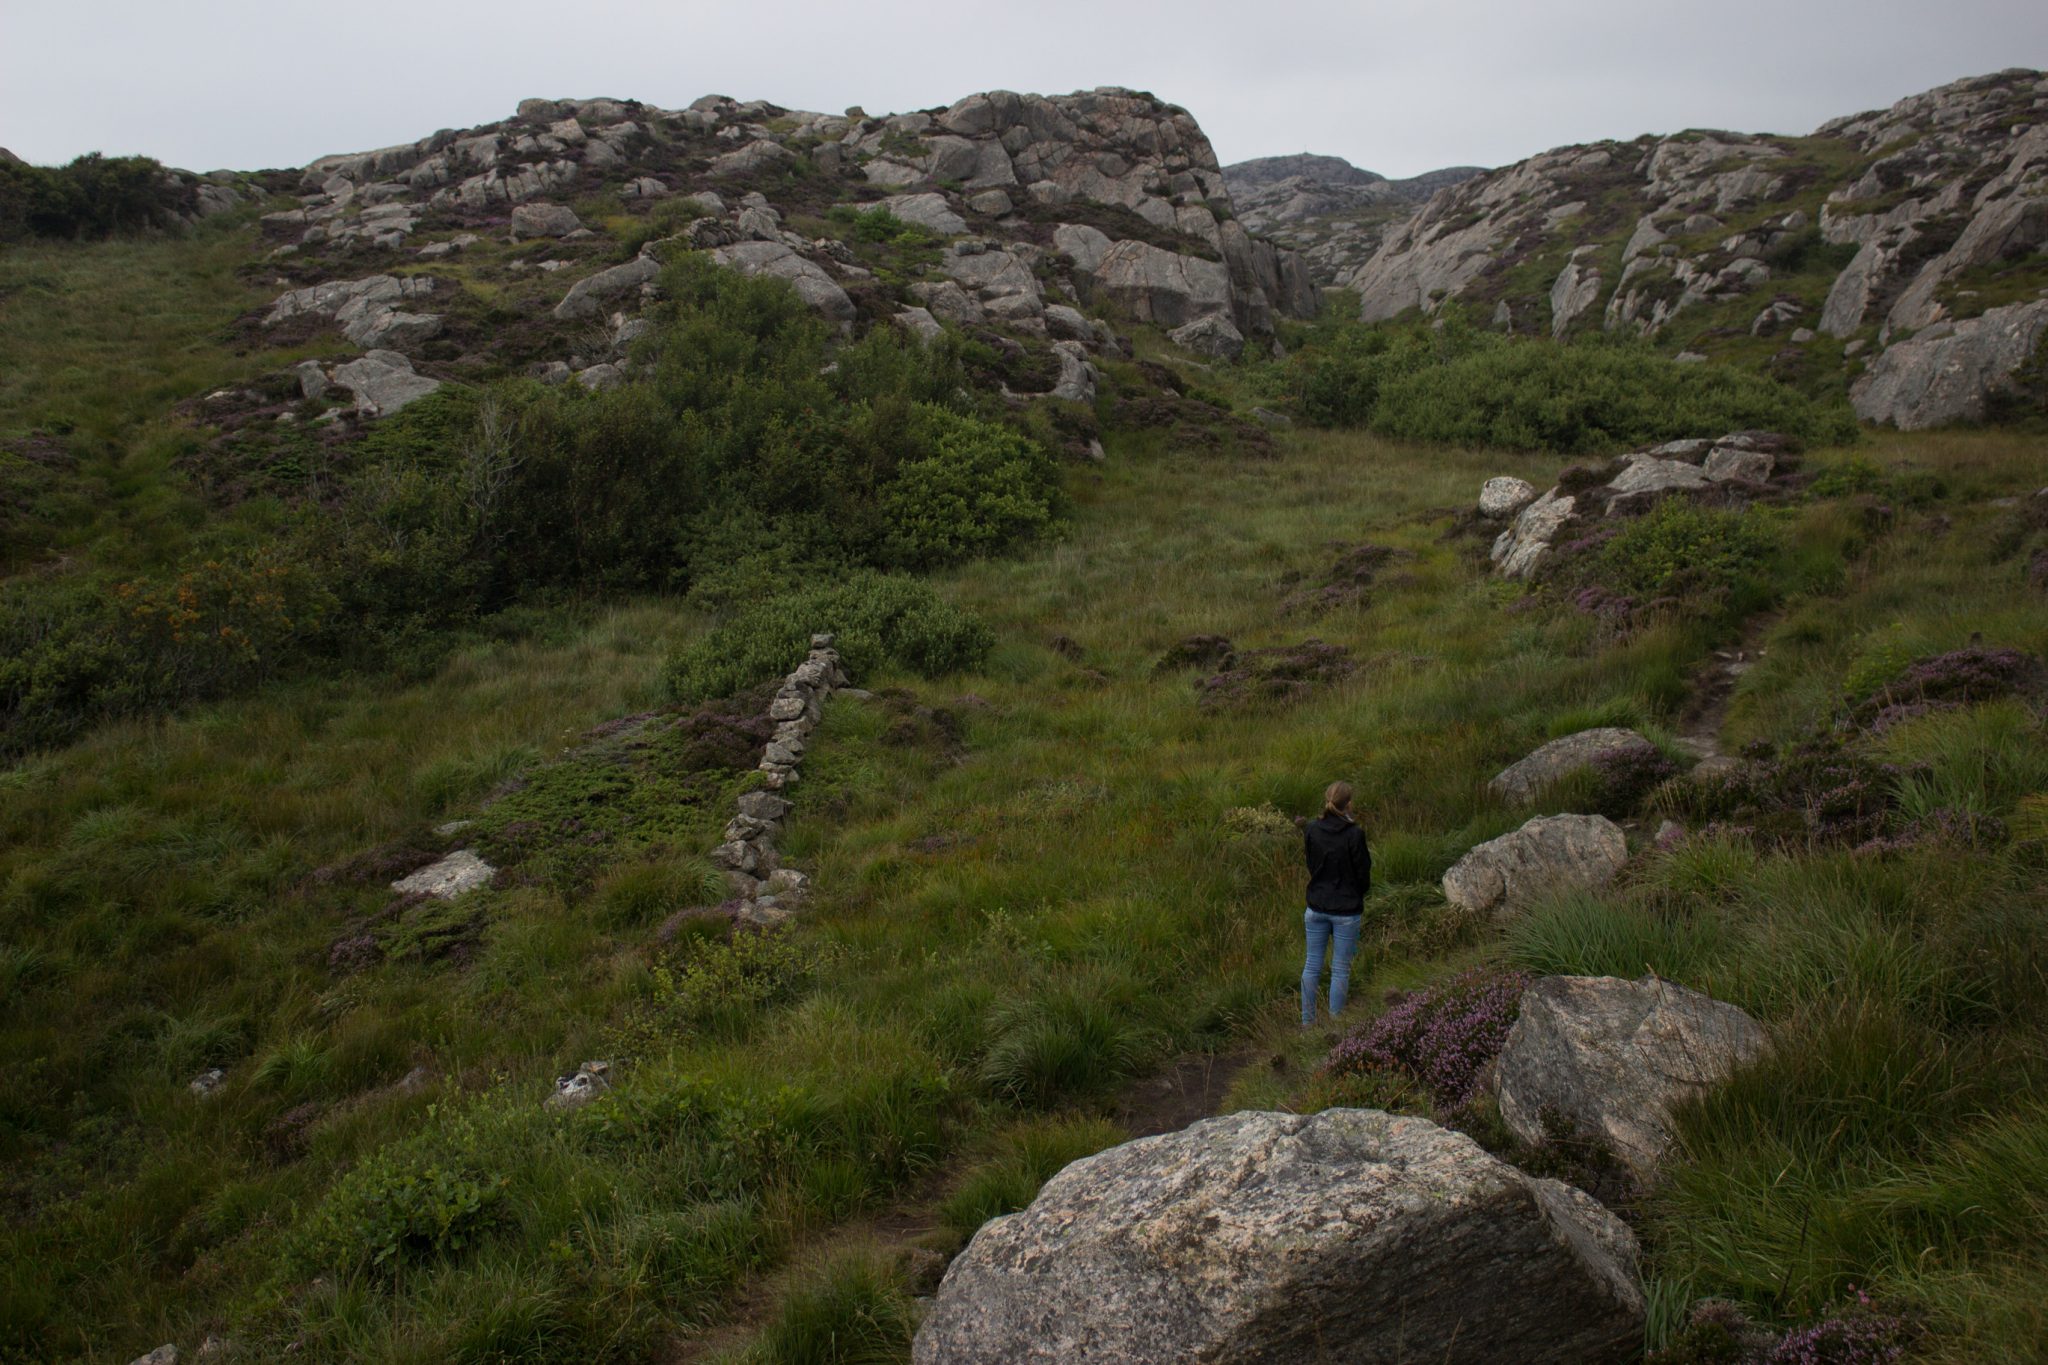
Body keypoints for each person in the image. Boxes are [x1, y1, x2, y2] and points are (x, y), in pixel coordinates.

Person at [1301, 780, 1370, 1027]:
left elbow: (1311, 864)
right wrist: (1356, 893)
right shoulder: (1355, 834)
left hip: (1316, 906)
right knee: (1340, 969)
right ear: (1348, 803)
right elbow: (1363, 872)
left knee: (1312, 966)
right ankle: (1335, 1026)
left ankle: (1307, 1025)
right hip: (1346, 910)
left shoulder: (1311, 829)